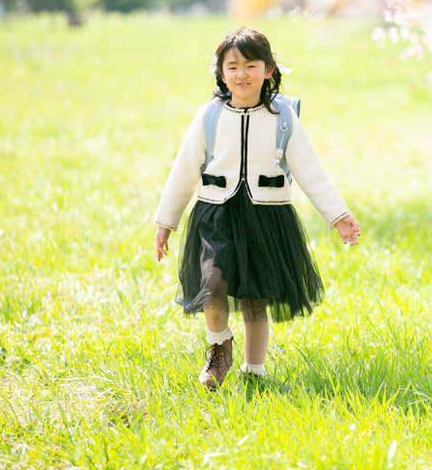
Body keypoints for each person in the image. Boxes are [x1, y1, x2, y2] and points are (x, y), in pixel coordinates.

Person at [154, 26, 361, 390]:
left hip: (266, 217)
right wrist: (166, 222)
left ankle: (255, 371)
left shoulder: (284, 117)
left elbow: (310, 171)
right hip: (216, 213)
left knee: (254, 299)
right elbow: (183, 170)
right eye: (232, 67)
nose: (241, 74)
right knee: (212, 285)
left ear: (269, 70)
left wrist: (338, 215)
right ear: (221, 73)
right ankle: (219, 350)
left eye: (251, 65)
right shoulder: (210, 116)